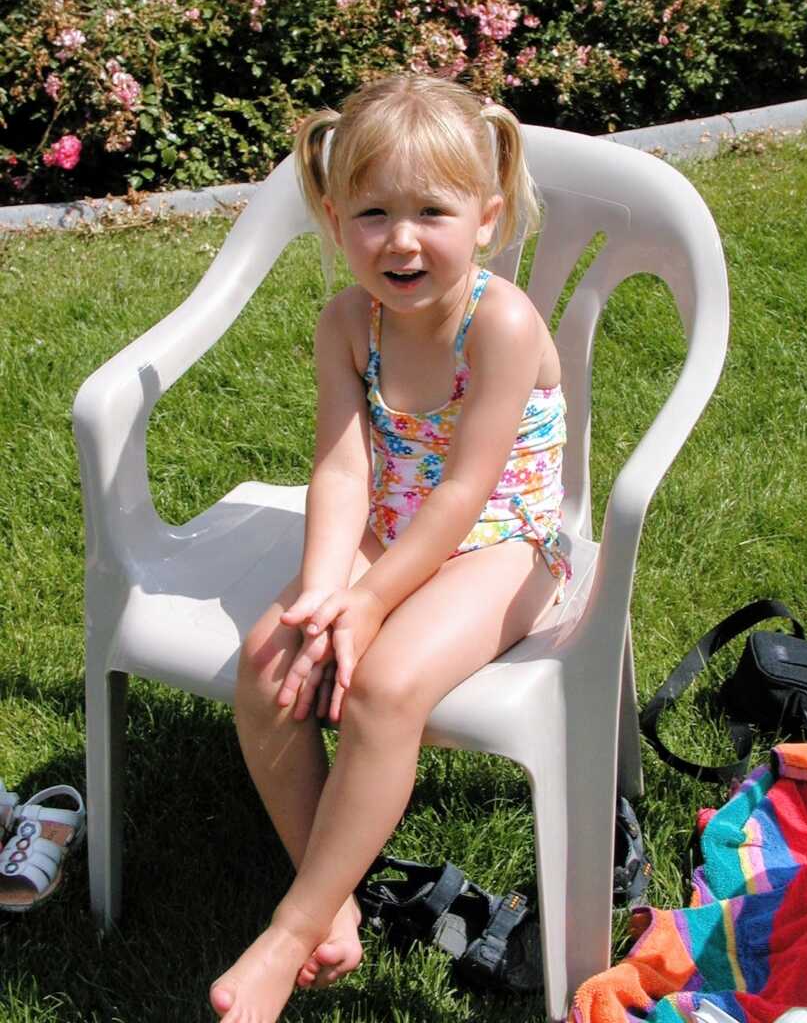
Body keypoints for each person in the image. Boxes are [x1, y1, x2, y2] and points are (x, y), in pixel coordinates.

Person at [210, 74, 571, 1023]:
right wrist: (325, 598)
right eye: (371, 213)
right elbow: (339, 471)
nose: (399, 239)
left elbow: (463, 493)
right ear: (333, 219)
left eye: (430, 212)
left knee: (383, 687)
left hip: (509, 542)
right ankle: (330, 901)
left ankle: (291, 931)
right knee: (269, 662)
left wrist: (368, 609)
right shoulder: (348, 322)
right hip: (393, 530)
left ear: (487, 218)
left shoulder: (499, 321)